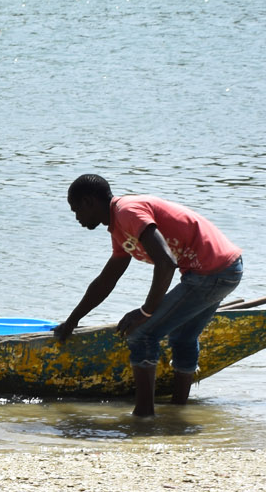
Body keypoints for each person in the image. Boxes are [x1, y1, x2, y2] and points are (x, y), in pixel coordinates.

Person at [54, 174, 243, 416]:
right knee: (183, 337)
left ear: (89, 201)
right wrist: (72, 321)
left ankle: (143, 415)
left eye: (76, 210)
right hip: (223, 270)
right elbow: (105, 281)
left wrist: (145, 312)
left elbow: (166, 262)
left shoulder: (127, 212)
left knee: (142, 333)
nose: (77, 218)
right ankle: (178, 411)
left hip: (211, 273)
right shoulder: (119, 228)